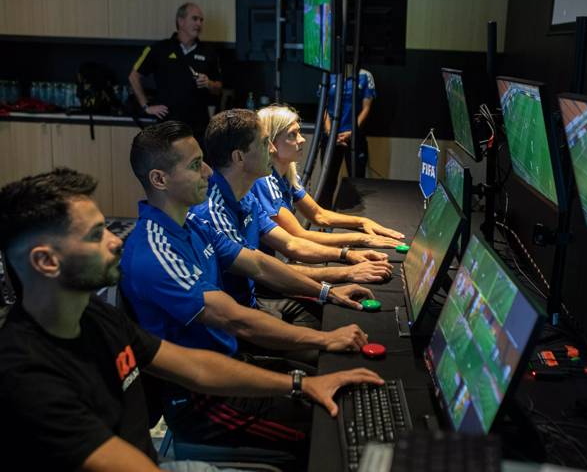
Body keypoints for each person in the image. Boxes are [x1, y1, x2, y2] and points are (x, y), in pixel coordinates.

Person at [0, 168, 383, 471]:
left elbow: (193, 366)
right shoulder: (25, 373)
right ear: (46, 262)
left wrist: (301, 384)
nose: (115, 240)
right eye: (96, 235)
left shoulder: (92, 314)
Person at [120, 121, 375, 453]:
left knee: (343, 388)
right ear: (159, 179)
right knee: (338, 432)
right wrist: (326, 337)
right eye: (196, 165)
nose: (209, 172)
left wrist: (328, 290)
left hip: (232, 364)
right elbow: (233, 319)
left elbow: (258, 264)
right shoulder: (154, 251)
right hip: (204, 403)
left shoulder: (192, 223)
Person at [191, 109, 394, 321]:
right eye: (264, 143)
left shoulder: (246, 197)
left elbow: (291, 243)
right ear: (239, 157)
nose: (271, 150)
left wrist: (348, 253)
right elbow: (262, 268)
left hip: (253, 300)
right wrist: (342, 275)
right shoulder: (212, 211)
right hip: (238, 315)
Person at [252, 105, 405, 249]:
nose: (302, 139)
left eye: (298, 132)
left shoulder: (287, 174)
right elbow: (298, 236)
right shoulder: (264, 181)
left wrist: (363, 221)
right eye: (292, 135)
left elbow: (319, 215)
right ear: (270, 142)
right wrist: (362, 238)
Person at [129, 2, 222, 141]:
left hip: (198, 128)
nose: (199, 24)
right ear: (181, 21)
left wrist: (209, 83)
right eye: (195, 19)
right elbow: (133, 76)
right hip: (167, 127)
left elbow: (219, 88)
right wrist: (146, 106)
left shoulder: (209, 52)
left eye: (201, 20)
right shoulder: (160, 49)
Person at [317, 66, 376, 207]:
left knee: (357, 180)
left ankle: (355, 220)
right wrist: (331, 133)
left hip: (354, 137)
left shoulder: (365, 75)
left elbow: (366, 107)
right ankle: (323, 223)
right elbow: (322, 105)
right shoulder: (328, 74)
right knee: (327, 180)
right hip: (331, 136)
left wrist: (352, 131)